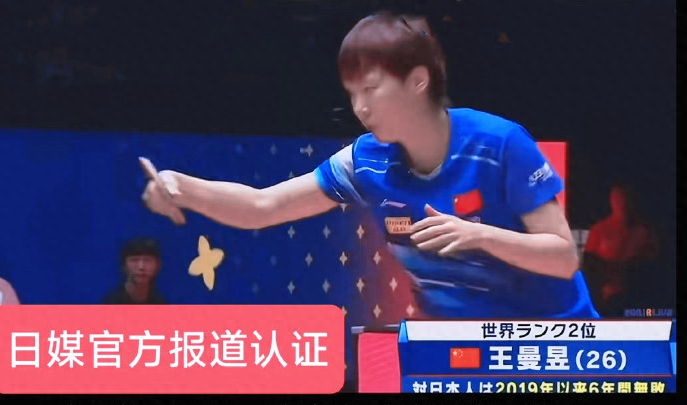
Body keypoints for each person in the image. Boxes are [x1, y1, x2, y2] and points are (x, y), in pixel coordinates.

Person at [141, 12, 599, 319]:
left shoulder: (499, 143)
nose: (359, 108)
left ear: (417, 81)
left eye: (371, 89)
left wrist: (480, 235)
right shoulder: (366, 160)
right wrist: (181, 186)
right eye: (352, 93)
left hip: (550, 344)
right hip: (448, 354)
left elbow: (563, 258)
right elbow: (264, 206)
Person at [582, 183, 658, 316]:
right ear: (611, 201)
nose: (621, 203)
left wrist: (630, 268)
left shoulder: (643, 232)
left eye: (624, 198)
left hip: (637, 296)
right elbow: (589, 264)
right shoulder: (599, 230)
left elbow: (653, 264)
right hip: (606, 296)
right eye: (617, 199)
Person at [103, 237, 167, 304]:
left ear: (158, 266)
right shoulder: (110, 303)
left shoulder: (161, 304)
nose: (141, 267)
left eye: (147, 260)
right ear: (124, 266)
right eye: (134, 260)